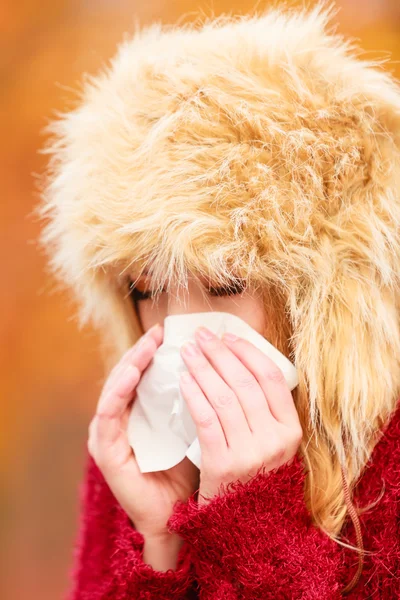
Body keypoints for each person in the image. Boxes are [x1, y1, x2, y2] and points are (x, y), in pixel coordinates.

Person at [35, 2, 400, 598]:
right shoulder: (138, 451)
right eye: (145, 290)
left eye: (226, 283)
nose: (179, 328)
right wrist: (161, 543)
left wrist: (252, 524)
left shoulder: (388, 461)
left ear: (319, 293)